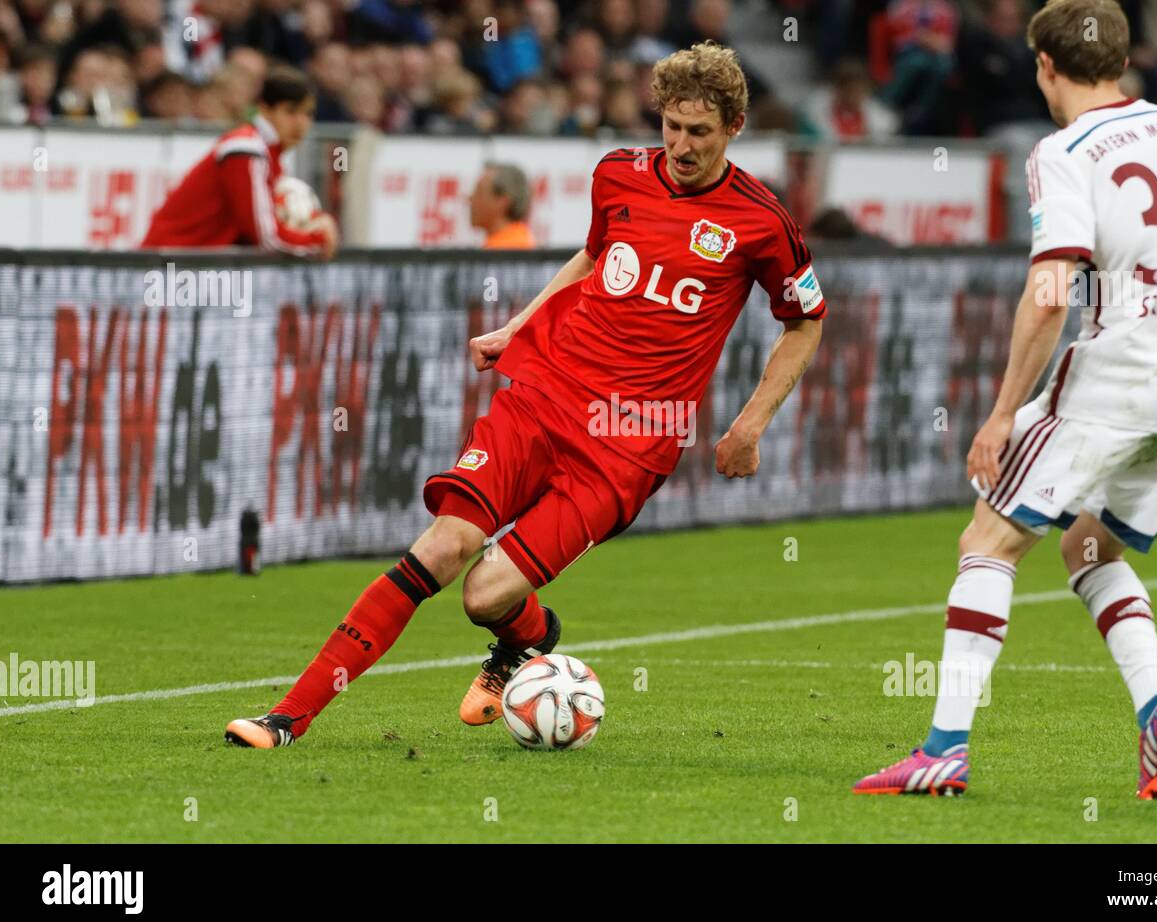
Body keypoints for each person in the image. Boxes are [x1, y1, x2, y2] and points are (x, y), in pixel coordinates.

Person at [224, 41, 826, 748]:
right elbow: (596, 256)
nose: (681, 145)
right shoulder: (619, 175)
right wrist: (520, 325)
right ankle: (288, 716)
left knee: (486, 594)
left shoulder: (761, 221)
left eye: (699, 131)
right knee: (445, 548)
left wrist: (750, 424)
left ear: (735, 127)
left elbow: (805, 320)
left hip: (631, 443)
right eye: (671, 126)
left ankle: (527, 640)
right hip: (546, 395)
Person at [853, 0, 1157, 799]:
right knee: (1088, 549)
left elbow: (1051, 292)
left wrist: (998, 413)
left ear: (1044, 66)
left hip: (1115, 385)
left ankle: (944, 747)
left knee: (988, 539)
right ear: (1125, 61)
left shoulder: (1066, 150)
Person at [141, 65, 338, 258]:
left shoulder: (265, 155)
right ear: (265, 110)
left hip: (191, 265)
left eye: (308, 114)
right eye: (291, 112)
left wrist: (315, 221)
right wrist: (317, 240)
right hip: (168, 266)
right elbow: (267, 238)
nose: (301, 123)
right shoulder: (246, 150)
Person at [470, 162, 537, 248]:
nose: (470, 199)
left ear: (502, 202)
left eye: (479, 192)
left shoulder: (510, 249)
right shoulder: (516, 243)